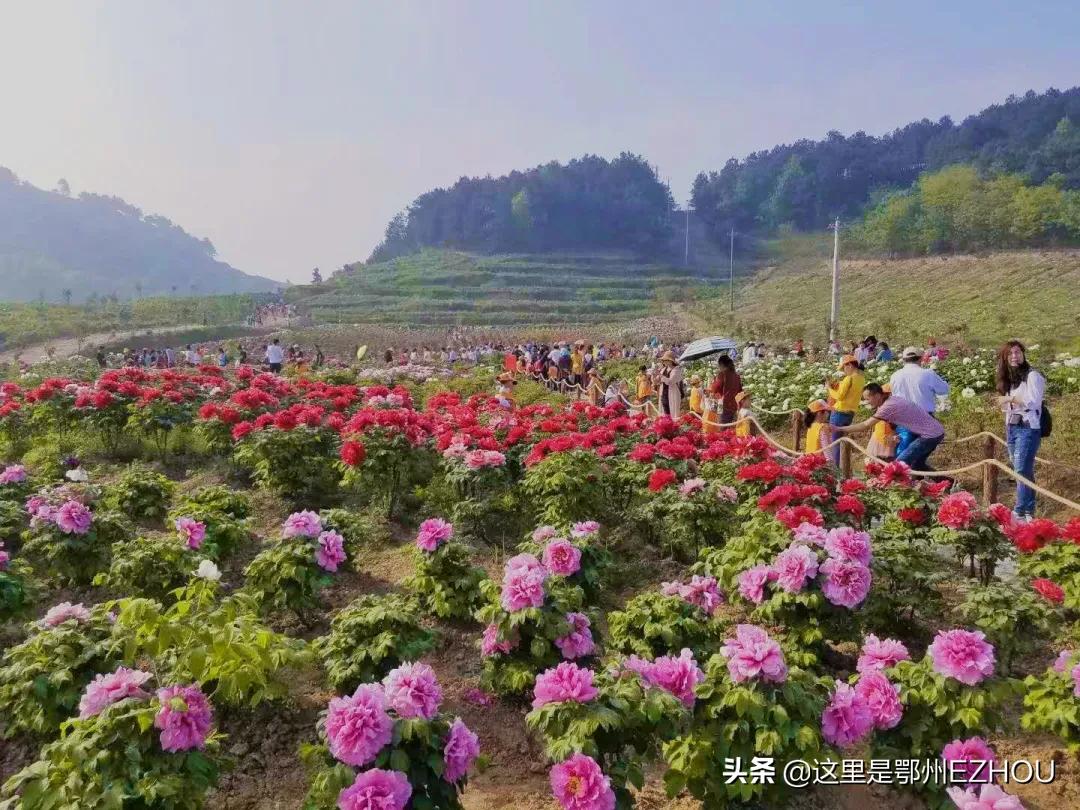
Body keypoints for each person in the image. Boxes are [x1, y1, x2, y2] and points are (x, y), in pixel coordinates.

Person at [832, 383, 945, 471]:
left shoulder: (887, 407)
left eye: (868, 399)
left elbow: (865, 425)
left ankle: (899, 490)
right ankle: (949, 484)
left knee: (899, 465)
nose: (867, 402)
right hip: (935, 431)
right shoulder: (892, 399)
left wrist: (839, 428)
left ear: (877, 395)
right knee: (917, 465)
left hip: (930, 435)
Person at [996, 340, 1046, 519]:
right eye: (1010, 354)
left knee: (1020, 470)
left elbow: (1033, 402)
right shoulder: (1010, 379)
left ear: (1023, 354)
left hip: (1027, 428)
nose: (1014, 356)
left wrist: (1009, 399)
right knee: (1023, 470)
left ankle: (1020, 510)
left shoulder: (1032, 376)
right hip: (1012, 427)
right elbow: (1007, 407)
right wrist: (1007, 404)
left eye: (1017, 352)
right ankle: (1028, 511)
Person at [826, 355, 865, 465]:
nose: (844, 370)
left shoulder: (849, 378)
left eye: (844, 367)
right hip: (850, 414)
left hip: (839, 413)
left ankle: (836, 469)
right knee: (842, 441)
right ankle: (843, 467)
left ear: (850, 365)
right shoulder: (861, 379)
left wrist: (829, 388)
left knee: (835, 442)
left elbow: (839, 396)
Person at [889, 347, 950, 414]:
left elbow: (894, 396)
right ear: (921, 359)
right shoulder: (928, 374)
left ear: (903, 360)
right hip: (924, 417)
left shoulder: (894, 376)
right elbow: (944, 390)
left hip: (903, 419)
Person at [865, 384, 898, 461]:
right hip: (879, 437)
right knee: (877, 460)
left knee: (885, 460)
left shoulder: (890, 406)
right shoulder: (880, 406)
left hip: (888, 437)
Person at [709, 354, 743, 424]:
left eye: (719, 365)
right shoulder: (736, 375)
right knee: (729, 428)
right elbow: (740, 390)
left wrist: (714, 381)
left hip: (723, 404)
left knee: (722, 428)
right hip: (734, 405)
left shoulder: (722, 374)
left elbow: (715, 389)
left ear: (721, 364)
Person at [658, 351, 684, 419]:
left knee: (672, 412)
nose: (664, 361)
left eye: (665, 360)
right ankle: (666, 425)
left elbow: (670, 381)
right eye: (663, 360)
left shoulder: (676, 370)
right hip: (664, 393)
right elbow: (658, 381)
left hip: (672, 393)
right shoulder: (663, 369)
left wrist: (661, 376)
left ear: (670, 360)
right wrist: (655, 376)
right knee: (664, 411)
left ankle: (672, 426)